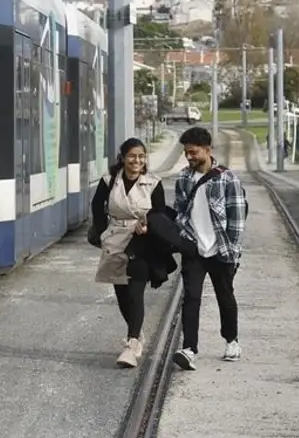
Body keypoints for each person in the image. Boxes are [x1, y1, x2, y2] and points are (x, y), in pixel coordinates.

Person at [171, 126, 247, 371]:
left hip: (221, 249)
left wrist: (233, 252)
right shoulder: (183, 178)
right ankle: (190, 348)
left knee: (225, 296)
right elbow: (180, 212)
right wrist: (185, 236)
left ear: (207, 150)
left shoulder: (227, 178)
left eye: (193, 152)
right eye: (186, 153)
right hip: (194, 248)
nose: (189, 157)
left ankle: (231, 341)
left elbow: (236, 219)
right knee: (191, 298)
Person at [88, 137, 168, 368]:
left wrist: (148, 226)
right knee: (122, 294)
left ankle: (132, 344)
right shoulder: (109, 181)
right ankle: (136, 333)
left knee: (135, 291)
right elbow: (97, 206)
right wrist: (103, 232)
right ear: (122, 158)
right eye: (132, 156)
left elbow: (160, 214)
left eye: (141, 156)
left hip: (141, 242)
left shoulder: (153, 183)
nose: (137, 160)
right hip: (115, 240)